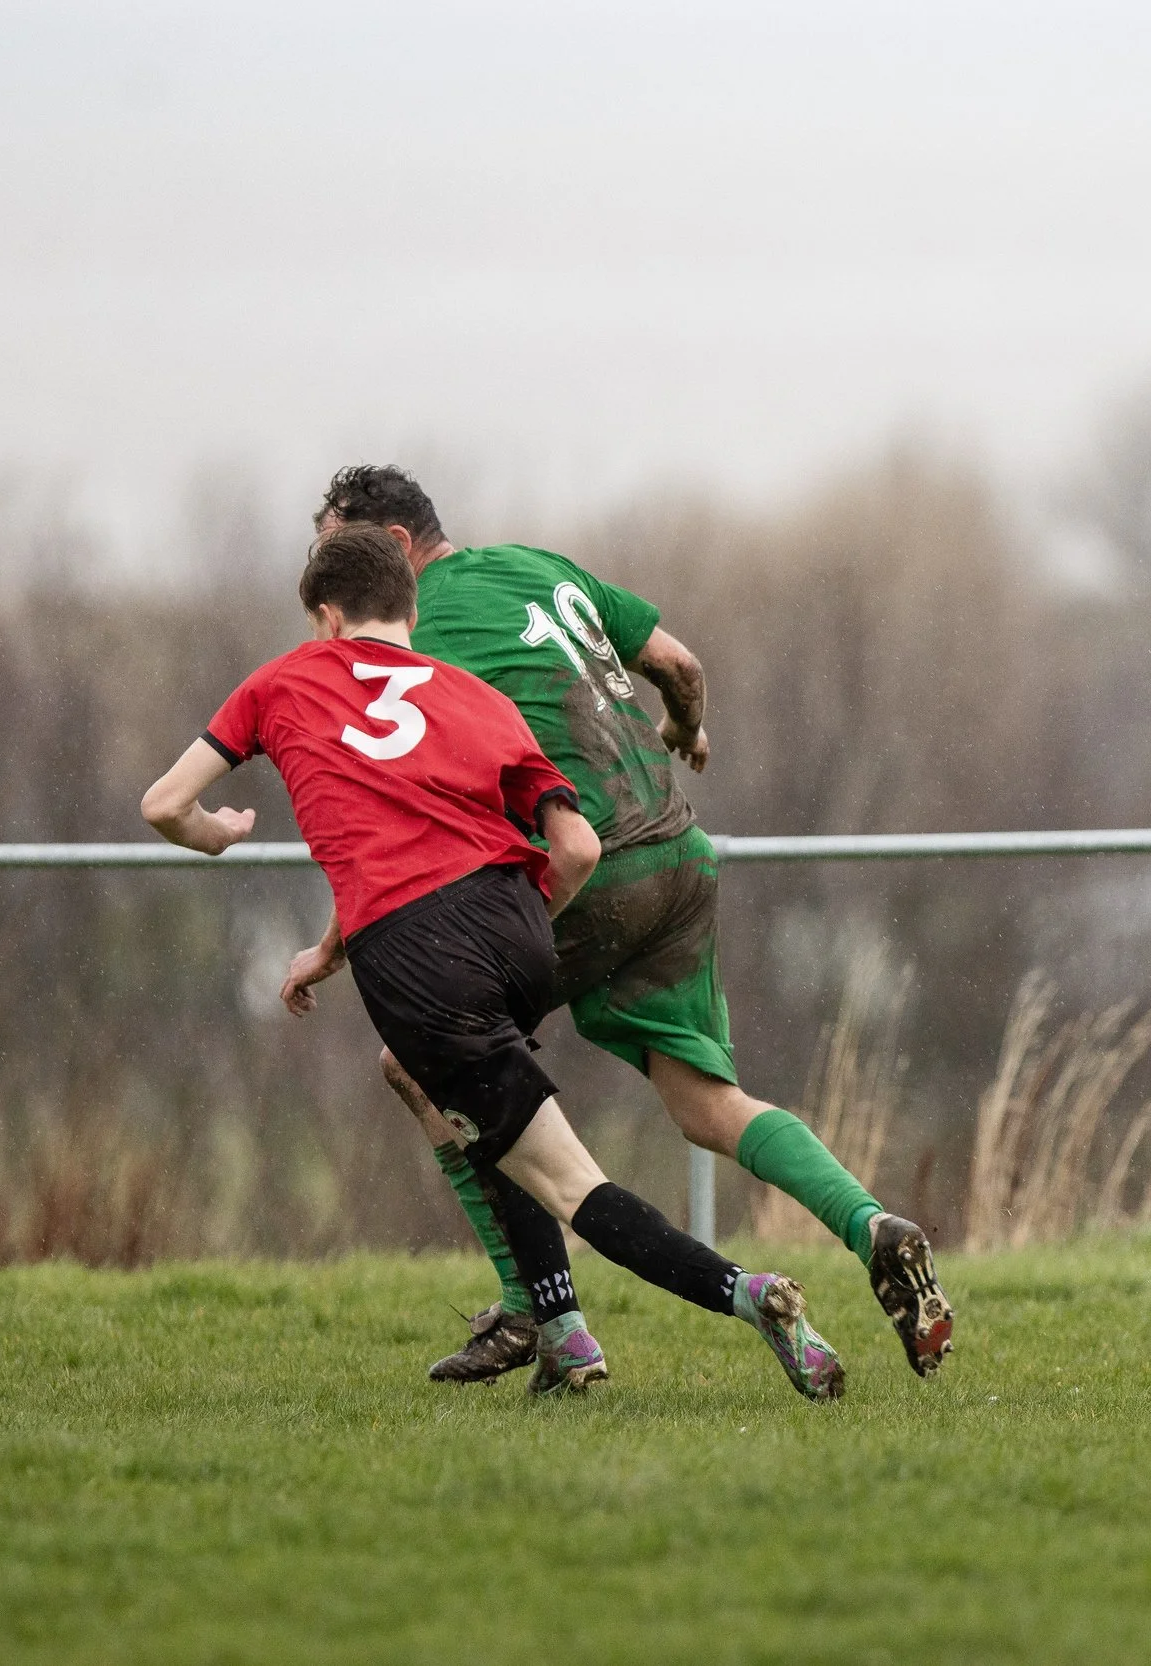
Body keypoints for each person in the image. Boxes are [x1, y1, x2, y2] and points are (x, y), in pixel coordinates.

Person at [142, 522, 844, 1402]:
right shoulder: (474, 697)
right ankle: (559, 1333)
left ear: (326, 618)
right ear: (410, 606)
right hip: (520, 929)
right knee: (458, 1102)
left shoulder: (284, 681)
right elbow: (578, 847)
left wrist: (220, 835)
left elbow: (165, 803)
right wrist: (513, 924)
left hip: (415, 957)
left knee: (568, 1181)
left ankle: (749, 1297)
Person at [291, 465, 955, 1388]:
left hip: (585, 869)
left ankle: (539, 1314)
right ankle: (868, 1223)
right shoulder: (540, 565)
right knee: (707, 1105)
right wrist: (686, 733)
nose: (324, 582)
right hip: (679, 856)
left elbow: (395, 822)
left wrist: (334, 946)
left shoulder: (408, 640)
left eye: (335, 552)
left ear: (393, 549)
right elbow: (681, 668)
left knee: (424, 1057)